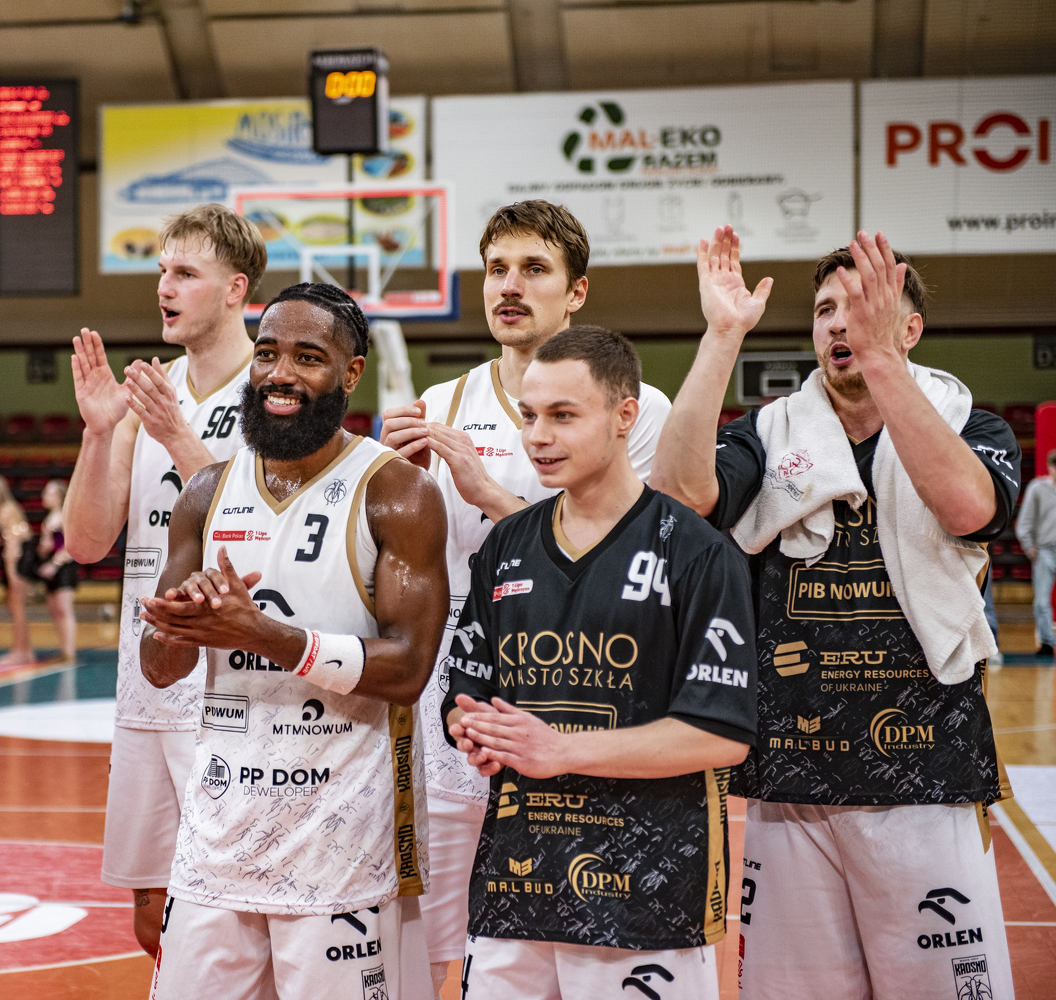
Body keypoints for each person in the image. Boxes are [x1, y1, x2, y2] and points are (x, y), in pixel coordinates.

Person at [650, 228, 1020, 1000]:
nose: (839, 322)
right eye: (825, 309)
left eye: (861, 306)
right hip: (793, 778)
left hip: (926, 771)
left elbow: (969, 509)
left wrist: (883, 366)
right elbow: (681, 498)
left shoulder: (970, 425)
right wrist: (721, 338)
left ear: (908, 328)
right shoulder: (769, 434)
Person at [378, 199, 673, 990]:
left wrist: (484, 492)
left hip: (584, 685)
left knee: (566, 938)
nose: (509, 286)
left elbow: (632, 561)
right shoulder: (437, 408)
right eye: (497, 269)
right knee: (426, 945)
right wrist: (389, 490)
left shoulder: (639, 410)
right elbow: (398, 571)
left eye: (534, 269)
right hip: (455, 698)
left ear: (577, 292)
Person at [140, 283, 448, 999]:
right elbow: (159, 666)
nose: (280, 374)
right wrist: (187, 621)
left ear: (350, 373)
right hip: (219, 833)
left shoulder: (397, 492)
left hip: (343, 838)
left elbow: (408, 671)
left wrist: (262, 633)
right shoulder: (205, 493)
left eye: (307, 357)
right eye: (267, 354)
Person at [440, 326, 753, 998]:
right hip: (515, 891)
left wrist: (560, 750)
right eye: (530, 416)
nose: (538, 437)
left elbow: (721, 733)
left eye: (563, 416)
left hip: (646, 899)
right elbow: (464, 693)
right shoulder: (506, 545)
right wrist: (472, 730)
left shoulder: (696, 551)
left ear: (624, 415)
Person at [63, 202, 264, 954]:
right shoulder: (142, 396)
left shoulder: (276, 390)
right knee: (153, 917)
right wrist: (99, 433)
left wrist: (179, 436)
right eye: (161, 271)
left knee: (240, 910)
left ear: (236, 289)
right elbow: (85, 542)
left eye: (185, 272)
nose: (164, 287)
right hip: (148, 681)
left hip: (236, 689)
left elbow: (259, 531)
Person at [0, 474, 36, 664]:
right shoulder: (2, 510)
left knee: (16, 606)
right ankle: (26, 651)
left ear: (0, 492)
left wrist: (12, 572)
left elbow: (13, 543)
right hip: (17, 556)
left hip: (18, 558)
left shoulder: (7, 510)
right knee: (15, 606)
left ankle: (19, 651)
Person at [1016, 448, 1056, 657]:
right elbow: (1025, 520)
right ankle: (1047, 642)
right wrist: (1029, 546)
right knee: (1041, 601)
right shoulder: (1038, 488)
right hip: (1045, 551)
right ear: (1049, 467)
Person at [35, 479, 79, 662]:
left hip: (63, 567)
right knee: (54, 609)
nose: (44, 496)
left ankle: (70, 651)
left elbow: (69, 547)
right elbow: (46, 547)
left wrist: (54, 564)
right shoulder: (47, 520)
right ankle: (63, 649)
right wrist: (43, 549)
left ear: (59, 497)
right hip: (51, 566)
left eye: (49, 493)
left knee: (64, 609)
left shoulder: (65, 517)